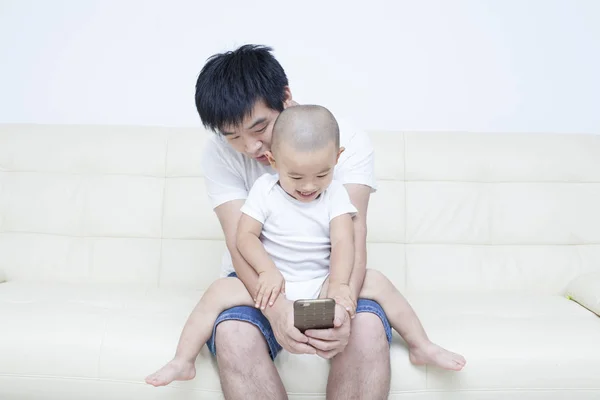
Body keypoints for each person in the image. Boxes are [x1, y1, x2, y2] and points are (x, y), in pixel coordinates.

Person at [146, 45, 465, 399]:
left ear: (285, 97)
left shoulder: (341, 140)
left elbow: (352, 239)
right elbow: (240, 242)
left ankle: (421, 343)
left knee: (368, 327)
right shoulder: (222, 157)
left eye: (260, 127)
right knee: (234, 334)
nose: (251, 147)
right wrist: (277, 309)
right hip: (260, 281)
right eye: (233, 136)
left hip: (330, 275)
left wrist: (342, 301)